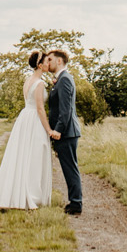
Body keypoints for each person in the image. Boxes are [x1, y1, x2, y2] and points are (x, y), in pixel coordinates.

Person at [0, 50, 57, 209]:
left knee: (23, 155)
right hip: (34, 120)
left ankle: (19, 193)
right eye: (46, 61)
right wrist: (49, 130)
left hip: (24, 118)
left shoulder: (28, 80)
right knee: (34, 155)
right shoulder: (39, 84)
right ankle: (31, 194)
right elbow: (40, 109)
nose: (49, 64)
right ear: (40, 65)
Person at [43, 48, 83, 215]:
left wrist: (58, 130)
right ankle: (74, 201)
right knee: (68, 167)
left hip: (66, 132)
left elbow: (65, 110)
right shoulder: (60, 79)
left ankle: (75, 204)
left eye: (50, 59)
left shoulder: (65, 79)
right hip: (65, 132)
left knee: (70, 168)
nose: (48, 62)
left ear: (59, 61)